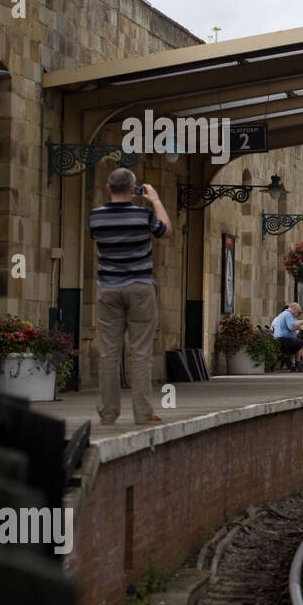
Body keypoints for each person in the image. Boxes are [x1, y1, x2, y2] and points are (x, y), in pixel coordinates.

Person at [88, 168, 171, 425]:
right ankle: (143, 413)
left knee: (109, 353)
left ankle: (108, 413)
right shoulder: (143, 215)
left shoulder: (95, 217)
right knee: (141, 352)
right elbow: (166, 231)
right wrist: (155, 200)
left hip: (108, 289)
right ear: (134, 189)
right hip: (140, 287)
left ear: (108, 187)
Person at [272, 301, 303, 371]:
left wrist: (299, 326)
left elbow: (289, 327)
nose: (297, 314)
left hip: (280, 340)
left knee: (299, 344)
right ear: (294, 309)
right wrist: (302, 322)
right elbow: (292, 328)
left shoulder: (282, 314)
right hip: (285, 340)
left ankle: (297, 365)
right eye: (297, 312)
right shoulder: (288, 314)